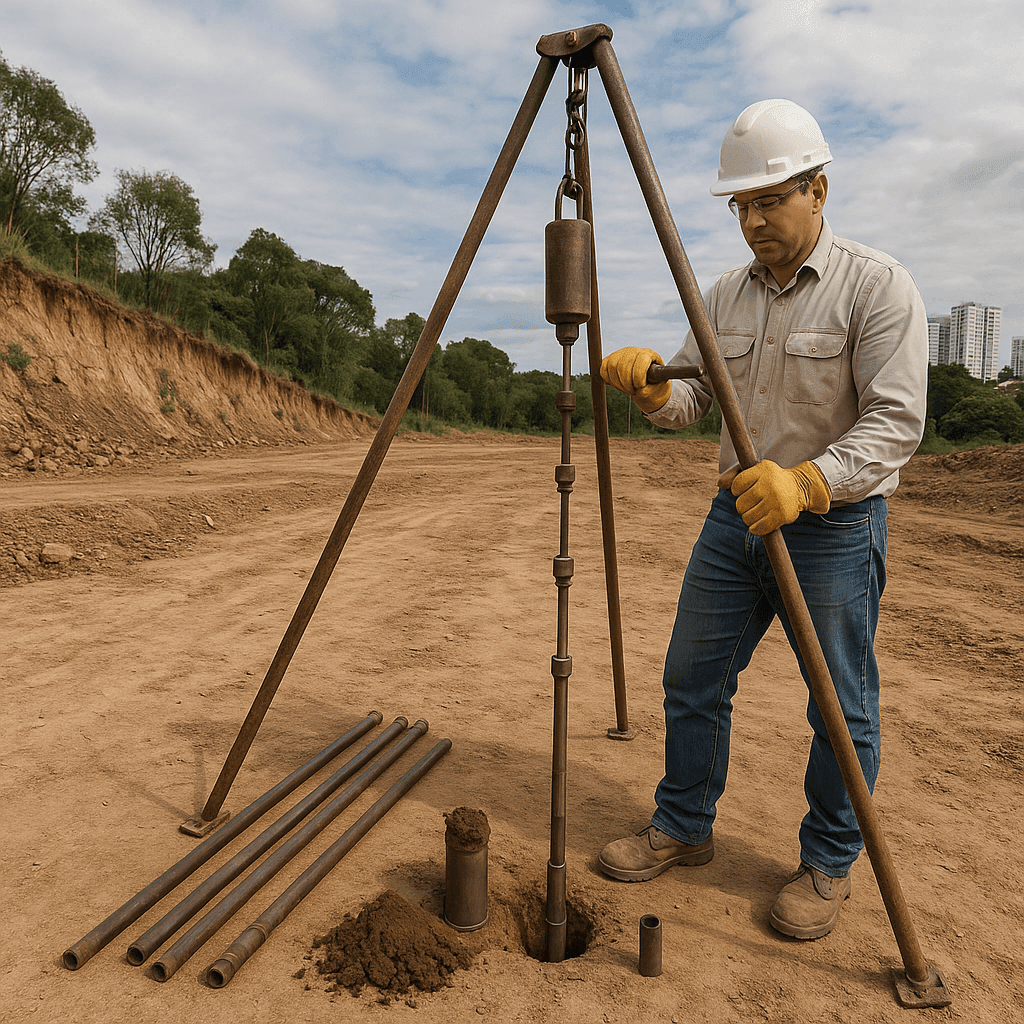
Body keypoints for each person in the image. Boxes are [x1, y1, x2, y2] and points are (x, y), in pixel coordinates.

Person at [597, 98, 928, 940]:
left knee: (837, 707)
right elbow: (698, 401)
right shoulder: (722, 297)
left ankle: (826, 864)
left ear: (819, 190)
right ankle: (682, 826)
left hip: (833, 528)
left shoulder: (878, 287)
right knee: (690, 678)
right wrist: (655, 390)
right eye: (740, 206)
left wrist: (809, 483)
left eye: (769, 200)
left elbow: (895, 423)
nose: (752, 221)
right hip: (733, 518)